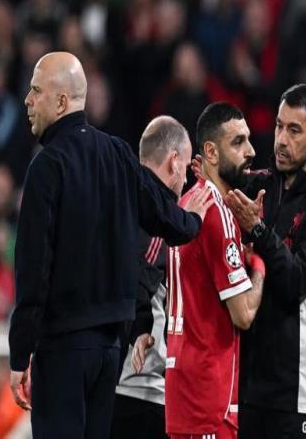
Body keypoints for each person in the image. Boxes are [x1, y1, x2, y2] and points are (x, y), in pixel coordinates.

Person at [8, 51, 212, 439]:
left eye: (36, 91)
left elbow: (33, 268)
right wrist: (193, 220)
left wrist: (20, 352)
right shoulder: (118, 153)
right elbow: (164, 217)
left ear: (61, 101)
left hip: (64, 347)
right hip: (110, 354)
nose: (28, 100)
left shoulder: (47, 166)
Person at [223, 84, 306, 438]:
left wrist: (258, 230)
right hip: (246, 379)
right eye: (279, 126)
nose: (281, 139)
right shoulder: (260, 186)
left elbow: (296, 281)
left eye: (294, 130)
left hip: (295, 387)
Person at [166, 102, 266, 439]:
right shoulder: (217, 214)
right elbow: (243, 314)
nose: (250, 151)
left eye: (248, 139)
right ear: (210, 152)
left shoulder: (188, 205)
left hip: (182, 389)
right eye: (238, 142)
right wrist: (259, 265)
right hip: (210, 395)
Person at [111, 115, 191, 439]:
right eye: (186, 167)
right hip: (139, 385)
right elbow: (140, 279)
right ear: (174, 162)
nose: (186, 179)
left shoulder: (117, 202)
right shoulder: (157, 219)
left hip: (107, 379)